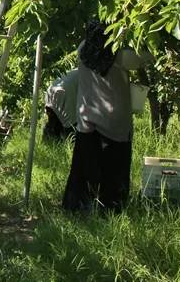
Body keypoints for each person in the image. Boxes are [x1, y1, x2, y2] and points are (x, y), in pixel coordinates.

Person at [61, 20, 152, 214]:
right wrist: (141, 34)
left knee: (84, 166)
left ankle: (78, 206)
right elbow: (145, 58)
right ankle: (110, 207)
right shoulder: (120, 54)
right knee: (114, 168)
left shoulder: (84, 48)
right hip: (114, 122)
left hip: (87, 119)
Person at [43, 67, 80, 141]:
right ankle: (69, 143)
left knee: (53, 120)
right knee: (70, 125)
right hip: (66, 92)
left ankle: (49, 142)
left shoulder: (79, 71)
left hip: (51, 89)